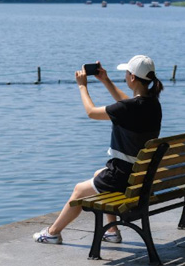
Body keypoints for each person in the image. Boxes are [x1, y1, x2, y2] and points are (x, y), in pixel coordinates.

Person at [33, 55, 163, 244]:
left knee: (78, 190)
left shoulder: (130, 108)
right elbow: (127, 104)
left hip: (123, 176)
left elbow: (91, 112)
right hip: (141, 177)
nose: (125, 76)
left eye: (127, 73)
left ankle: (52, 233)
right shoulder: (153, 105)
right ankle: (111, 230)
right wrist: (106, 81)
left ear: (132, 77)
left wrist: (82, 86)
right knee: (98, 173)